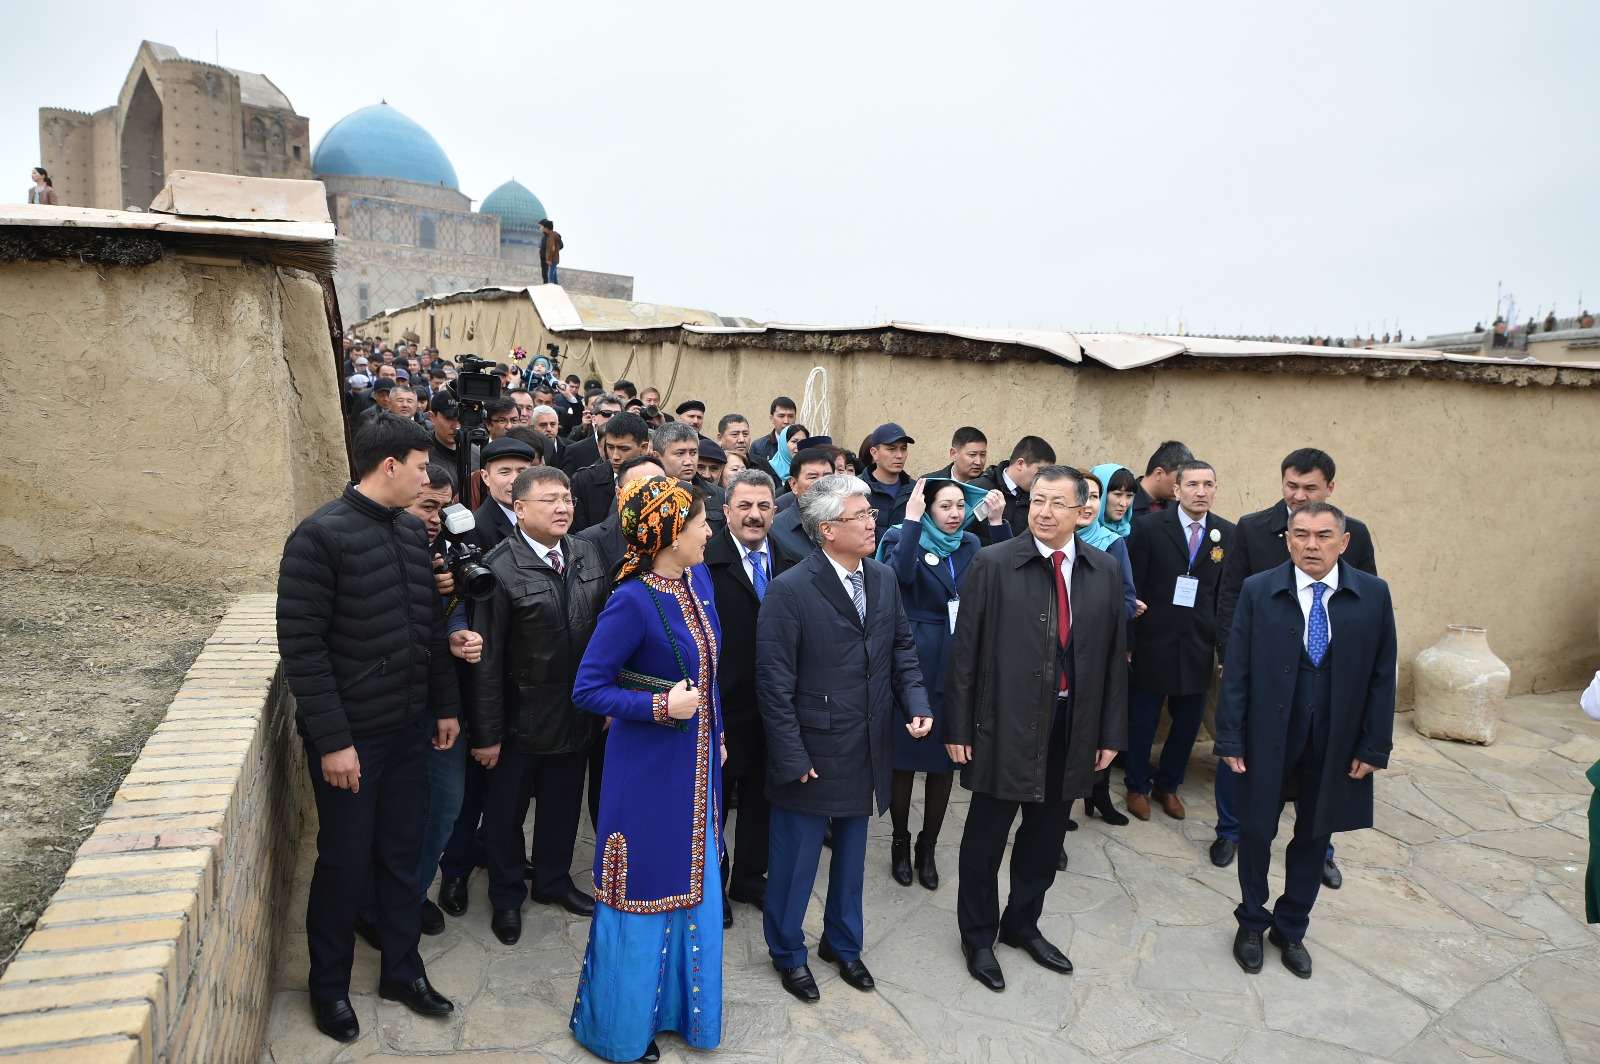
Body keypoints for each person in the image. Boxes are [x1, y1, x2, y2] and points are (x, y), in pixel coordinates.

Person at [276, 413, 461, 1043]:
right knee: (345, 864)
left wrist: (443, 707)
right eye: (419, 466)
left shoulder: (411, 536)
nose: (427, 479)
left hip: (409, 731)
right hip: (352, 741)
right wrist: (333, 742)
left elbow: (429, 633)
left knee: (403, 859)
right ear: (389, 466)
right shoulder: (319, 537)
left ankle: (402, 971)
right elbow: (302, 648)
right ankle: (328, 988)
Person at [943, 465, 1128, 992]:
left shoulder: (1103, 568)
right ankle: (978, 935)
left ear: (1081, 512)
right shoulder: (993, 562)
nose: (1044, 512)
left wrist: (1110, 733)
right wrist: (959, 724)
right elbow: (965, 654)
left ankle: (1022, 923)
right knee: (985, 839)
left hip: (1072, 725)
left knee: (1044, 840)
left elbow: (1114, 659)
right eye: (1037, 501)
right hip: (1004, 721)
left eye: (1057, 503)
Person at [756, 475, 932, 1002]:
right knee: (795, 863)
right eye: (862, 516)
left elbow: (901, 648)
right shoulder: (790, 589)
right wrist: (791, 754)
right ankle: (788, 953)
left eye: (872, 514)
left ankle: (843, 944)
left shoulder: (880, 577)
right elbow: (773, 682)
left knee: (852, 861)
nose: (873, 522)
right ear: (828, 530)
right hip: (811, 749)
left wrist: (917, 704)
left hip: (867, 743)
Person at [569, 477, 723, 1062]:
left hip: (698, 766)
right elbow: (588, 688)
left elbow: (708, 673)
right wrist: (659, 705)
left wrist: (719, 731)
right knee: (644, 892)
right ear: (670, 535)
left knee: (693, 887)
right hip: (646, 773)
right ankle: (621, 1030)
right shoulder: (631, 599)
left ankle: (681, 1014)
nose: (710, 531)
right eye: (700, 524)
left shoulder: (698, 579)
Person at [1215, 502, 1396, 980]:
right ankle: (1252, 922)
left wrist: (1374, 746)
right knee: (1255, 832)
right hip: (1266, 737)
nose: (1310, 545)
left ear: (1344, 542)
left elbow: (1383, 676)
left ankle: (1291, 927)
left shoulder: (1373, 595)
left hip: (1336, 744)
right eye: (1300, 535)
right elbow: (1238, 670)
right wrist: (1231, 738)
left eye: (1322, 535)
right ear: (1288, 538)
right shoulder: (1259, 590)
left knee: (1316, 836)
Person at [1211, 448, 1378, 885]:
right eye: (1292, 486)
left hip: (1323, 673)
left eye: (1310, 488)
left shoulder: (1352, 534)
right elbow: (1231, 594)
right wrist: (1229, 655)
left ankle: (1320, 846)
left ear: (1330, 489)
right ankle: (1231, 831)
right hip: (1262, 668)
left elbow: (1366, 604)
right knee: (1241, 758)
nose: (1299, 495)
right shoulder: (1252, 528)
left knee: (1321, 771)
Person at [470, 465, 606, 944]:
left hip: (576, 714)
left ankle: (552, 880)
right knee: (505, 816)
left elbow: (605, 638)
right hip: (518, 721)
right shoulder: (498, 568)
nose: (563, 507)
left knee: (562, 808)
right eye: (549, 499)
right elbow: (484, 662)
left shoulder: (587, 555)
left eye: (566, 498)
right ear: (520, 509)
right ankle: (507, 895)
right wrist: (487, 733)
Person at [879, 477, 1010, 891]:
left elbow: (1007, 569)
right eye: (944, 507)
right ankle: (900, 841)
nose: (954, 515)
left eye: (959, 506)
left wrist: (998, 522)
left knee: (944, 763)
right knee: (902, 762)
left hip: (958, 662)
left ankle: (927, 846)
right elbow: (897, 578)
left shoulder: (970, 544)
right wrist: (912, 521)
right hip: (911, 659)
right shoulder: (903, 535)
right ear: (928, 509)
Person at [704, 469, 805, 927]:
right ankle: (713, 885)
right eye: (744, 506)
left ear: (775, 511)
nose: (754, 514)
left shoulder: (793, 560)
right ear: (726, 511)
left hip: (777, 707)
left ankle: (748, 876)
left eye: (764, 506)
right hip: (725, 704)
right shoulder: (703, 562)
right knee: (716, 803)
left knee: (765, 798)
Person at [1124, 461, 1235, 822]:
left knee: (1187, 725)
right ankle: (1137, 785)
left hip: (1199, 647)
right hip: (1153, 642)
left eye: (1208, 484)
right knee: (1142, 722)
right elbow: (1133, 589)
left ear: (1216, 490)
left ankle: (1168, 785)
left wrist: (1223, 648)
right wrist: (1129, 641)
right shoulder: (1150, 528)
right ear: (1177, 490)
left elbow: (1225, 596)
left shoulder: (1226, 534)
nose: (1200, 491)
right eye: (1192, 484)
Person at [1068, 464, 1142, 832]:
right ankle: (1056, 811)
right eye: (1081, 495)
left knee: (1098, 729)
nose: (1087, 504)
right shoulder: (1045, 541)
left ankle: (1098, 795)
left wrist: (1089, 610)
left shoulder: (1113, 544)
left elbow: (1127, 602)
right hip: (1053, 656)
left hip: (1095, 653)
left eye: (1095, 496)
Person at [572, 412, 651, 532]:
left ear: (644, 448)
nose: (615, 456)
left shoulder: (659, 481)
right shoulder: (584, 481)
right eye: (610, 447)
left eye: (624, 449)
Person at [973, 436, 1056, 535]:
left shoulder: (1039, 497)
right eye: (1041, 471)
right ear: (1020, 464)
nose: (1043, 478)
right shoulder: (977, 489)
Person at [768, 447, 834, 559]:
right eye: (813, 477)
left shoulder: (849, 521)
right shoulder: (774, 529)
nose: (822, 483)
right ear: (793, 484)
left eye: (828, 476)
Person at [859, 423, 916, 543]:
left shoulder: (916, 490)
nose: (899, 455)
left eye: (903, 449)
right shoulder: (856, 488)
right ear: (874, 453)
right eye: (891, 449)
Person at [1131, 441, 1193, 520]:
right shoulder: (1122, 504)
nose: (1182, 487)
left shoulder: (1179, 508)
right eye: (1180, 479)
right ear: (1159, 473)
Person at [750, 397, 798, 464]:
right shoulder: (758, 447)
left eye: (790, 416)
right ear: (771, 419)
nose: (786, 421)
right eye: (781, 416)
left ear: (795, 418)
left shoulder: (804, 444)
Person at [540, 219, 563, 285]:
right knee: (554, 277)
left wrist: (549, 259)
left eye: (542, 227)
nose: (541, 228)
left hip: (552, 259)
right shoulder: (554, 235)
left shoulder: (551, 236)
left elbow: (552, 248)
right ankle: (556, 289)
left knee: (550, 277)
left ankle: (551, 290)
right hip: (555, 259)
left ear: (546, 228)